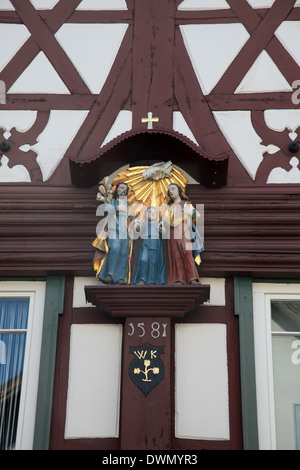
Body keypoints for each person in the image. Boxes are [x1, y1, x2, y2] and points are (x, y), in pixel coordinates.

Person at [163, 183, 203, 285]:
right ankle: (178, 279)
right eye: (169, 190)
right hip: (172, 232)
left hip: (185, 230)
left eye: (173, 188)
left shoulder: (186, 204)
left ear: (179, 191)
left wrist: (191, 212)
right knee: (176, 254)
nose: (171, 191)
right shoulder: (169, 207)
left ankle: (192, 278)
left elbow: (197, 215)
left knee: (187, 252)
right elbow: (165, 220)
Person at [94, 182, 132, 284]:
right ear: (117, 190)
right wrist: (117, 208)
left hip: (125, 231)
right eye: (121, 187)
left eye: (125, 188)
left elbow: (132, 217)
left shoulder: (129, 204)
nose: (123, 189)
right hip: (114, 229)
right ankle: (109, 274)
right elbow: (106, 209)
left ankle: (120, 277)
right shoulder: (112, 202)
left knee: (124, 252)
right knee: (115, 249)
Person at [132, 206, 167, 285]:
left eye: (155, 213)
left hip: (155, 243)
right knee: (143, 261)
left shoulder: (158, 224)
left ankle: (152, 280)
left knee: (153, 262)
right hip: (146, 243)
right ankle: (142, 279)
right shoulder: (144, 223)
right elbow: (138, 230)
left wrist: (162, 227)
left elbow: (164, 233)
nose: (153, 214)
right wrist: (137, 224)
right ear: (145, 214)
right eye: (150, 212)